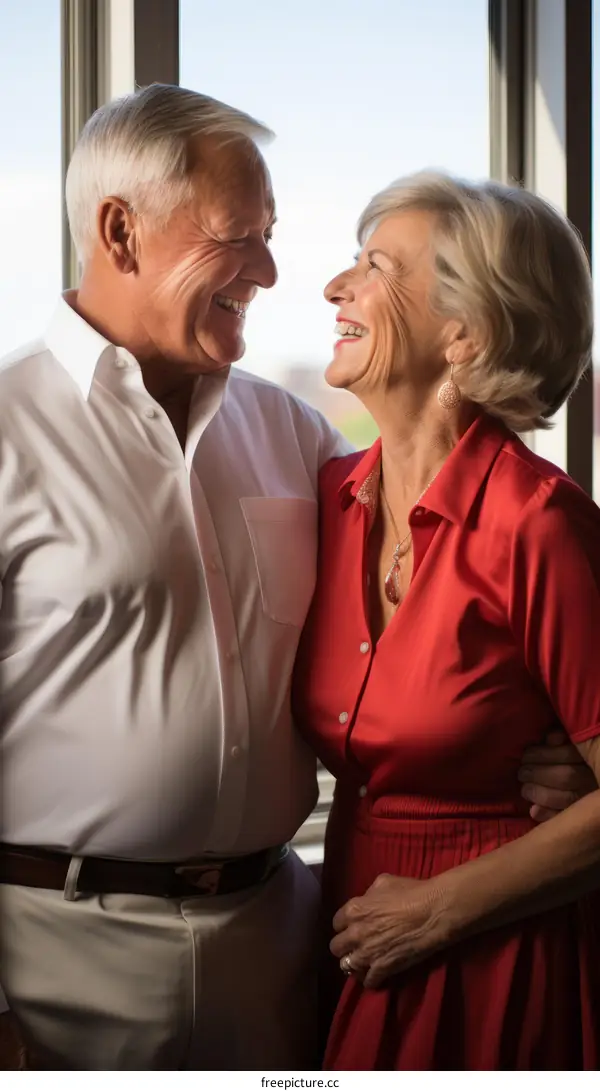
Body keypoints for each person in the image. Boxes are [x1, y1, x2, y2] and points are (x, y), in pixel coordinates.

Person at [0, 86, 590, 1070]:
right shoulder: (8, 431)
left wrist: (561, 759)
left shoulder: (299, 439)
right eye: (242, 236)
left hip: (292, 949)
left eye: (274, 235)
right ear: (120, 230)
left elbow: (460, 601)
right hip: (56, 966)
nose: (279, 273)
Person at [294, 171, 600, 1070]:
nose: (334, 287)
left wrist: (437, 911)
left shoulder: (538, 523)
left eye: (375, 266)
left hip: (494, 961)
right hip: (346, 943)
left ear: (463, 334)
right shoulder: (326, 497)